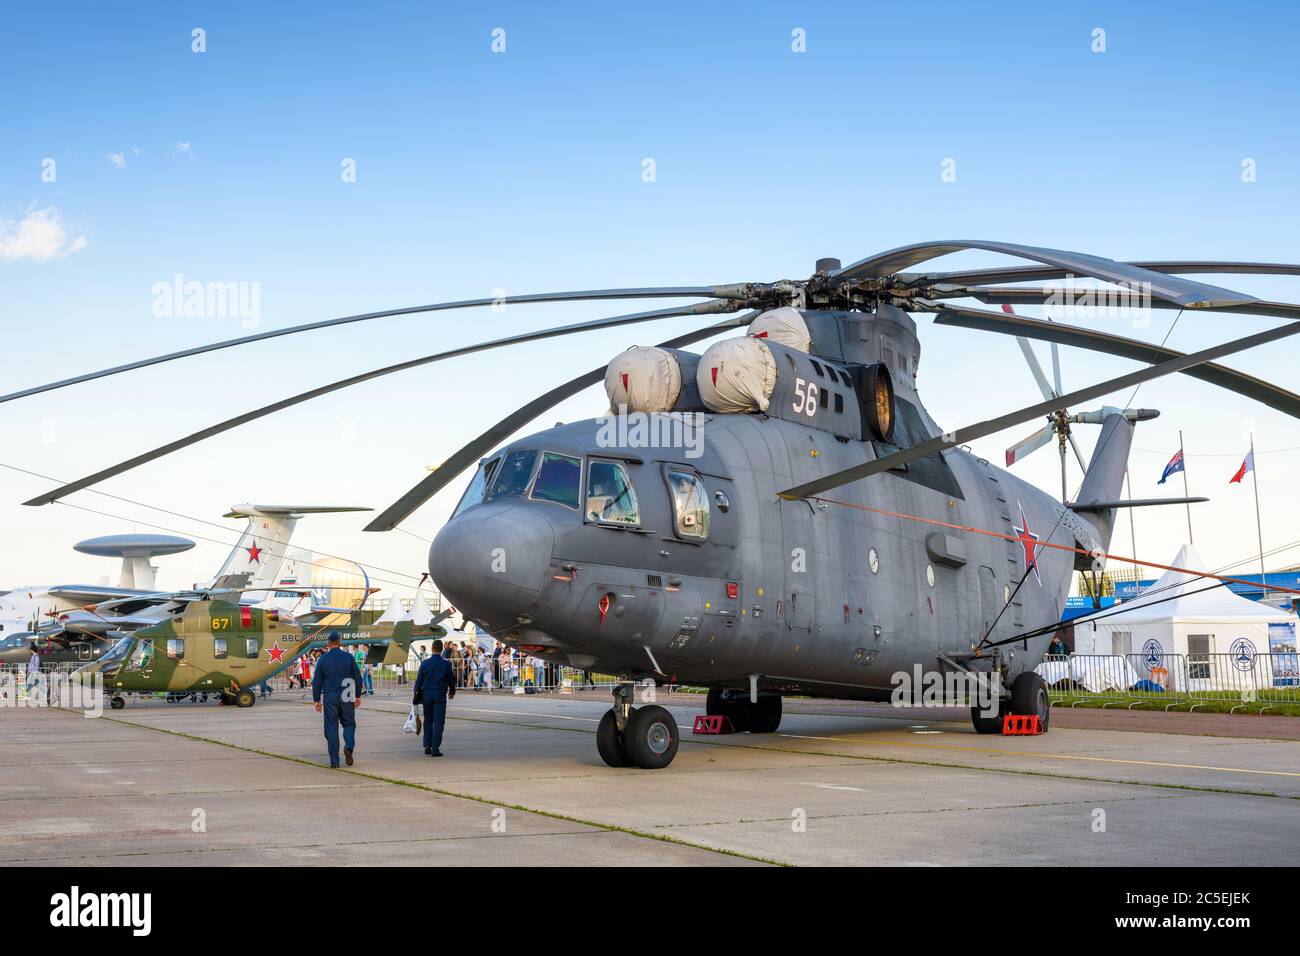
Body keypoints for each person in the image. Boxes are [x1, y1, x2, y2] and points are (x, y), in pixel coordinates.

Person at [312, 631, 363, 768]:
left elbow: (317, 681)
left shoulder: (323, 659)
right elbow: (358, 678)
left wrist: (317, 699)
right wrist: (357, 695)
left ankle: (335, 761)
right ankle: (349, 747)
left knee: (331, 728)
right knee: (349, 724)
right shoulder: (348, 657)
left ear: (328, 643)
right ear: (339, 642)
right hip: (346, 695)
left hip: (330, 696)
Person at [412, 638, 456, 756]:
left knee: (428, 720)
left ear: (432, 649)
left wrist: (416, 695)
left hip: (427, 696)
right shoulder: (446, 664)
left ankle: (427, 745)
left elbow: (418, 682)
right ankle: (435, 748)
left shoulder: (425, 663)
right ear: (442, 650)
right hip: (439, 695)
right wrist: (452, 692)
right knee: (439, 722)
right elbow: (451, 680)